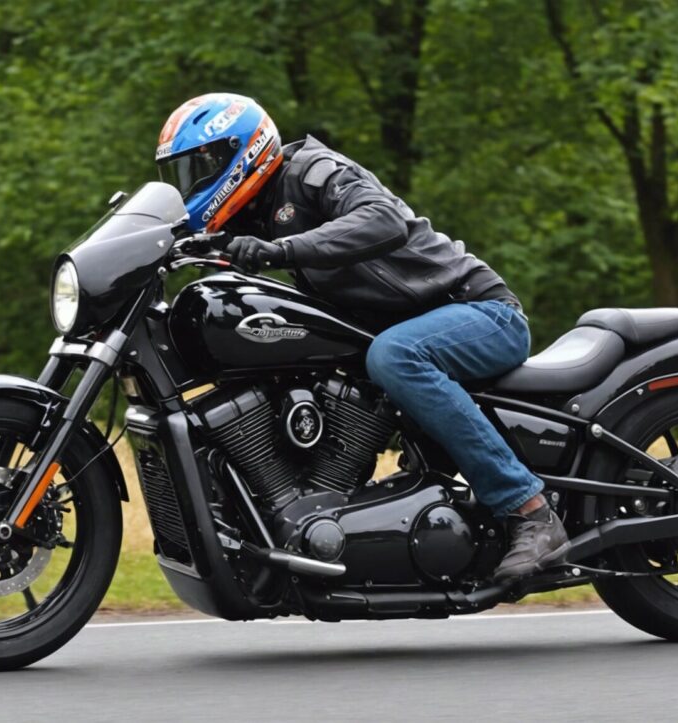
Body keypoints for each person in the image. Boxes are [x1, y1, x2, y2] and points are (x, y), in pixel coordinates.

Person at [156, 93, 568, 581]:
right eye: (180, 175)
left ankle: (531, 511)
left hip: (477, 311)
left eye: (199, 169)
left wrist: (281, 250)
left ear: (241, 152)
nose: (191, 185)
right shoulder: (250, 215)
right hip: (404, 327)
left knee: (395, 356)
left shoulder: (314, 171)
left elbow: (383, 218)